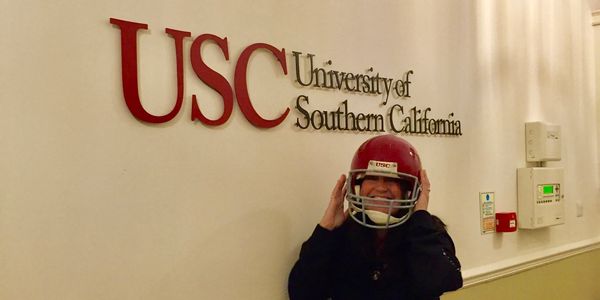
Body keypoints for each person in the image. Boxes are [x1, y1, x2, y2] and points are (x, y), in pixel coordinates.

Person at [288, 134, 463, 300]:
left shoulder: (427, 232)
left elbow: (442, 281)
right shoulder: (342, 234)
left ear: (408, 190)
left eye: (391, 179)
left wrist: (421, 218)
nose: (380, 187)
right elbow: (302, 293)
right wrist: (326, 230)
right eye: (372, 178)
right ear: (357, 184)